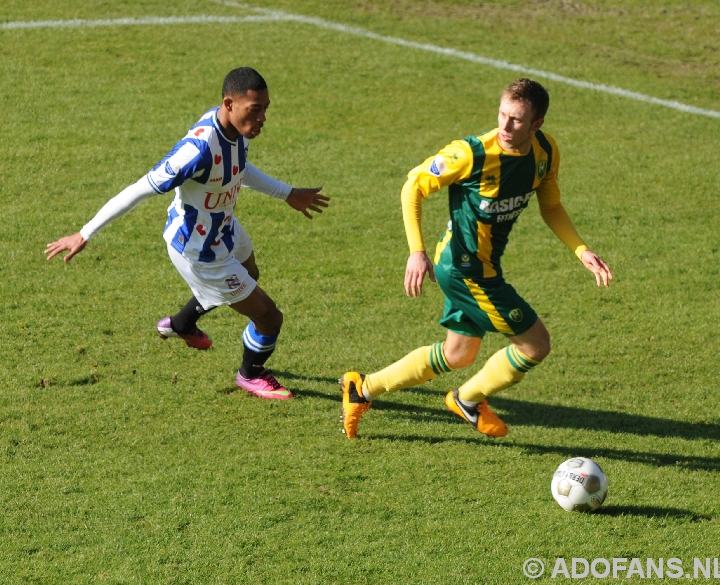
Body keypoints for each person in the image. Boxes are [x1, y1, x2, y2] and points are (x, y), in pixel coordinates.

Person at [341, 78, 612, 438]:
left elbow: (552, 205)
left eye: (516, 119)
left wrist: (581, 249)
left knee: (458, 354)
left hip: (482, 265)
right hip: (465, 269)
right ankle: (466, 400)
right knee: (535, 344)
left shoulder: (545, 151)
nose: (505, 125)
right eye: (502, 114)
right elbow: (413, 187)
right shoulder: (471, 154)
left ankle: (361, 388)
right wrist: (416, 252)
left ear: (537, 125)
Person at [45, 67, 329, 400]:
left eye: (266, 108)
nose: (263, 117)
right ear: (229, 103)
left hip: (224, 228)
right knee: (269, 316)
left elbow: (237, 169)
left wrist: (287, 193)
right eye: (256, 109)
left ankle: (180, 325)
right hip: (200, 249)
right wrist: (85, 232)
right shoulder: (195, 152)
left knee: (250, 274)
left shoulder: (234, 130)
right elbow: (139, 189)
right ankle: (250, 374)